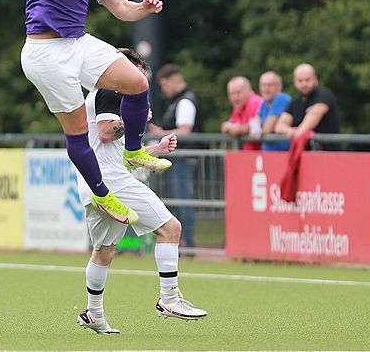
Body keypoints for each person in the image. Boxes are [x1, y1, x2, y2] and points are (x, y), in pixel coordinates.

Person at [21, 0, 170, 226]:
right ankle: (102, 195)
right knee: (77, 131)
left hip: (77, 42)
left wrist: (144, 7)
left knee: (137, 82)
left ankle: (134, 150)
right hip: (44, 52)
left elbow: (123, 9)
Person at [77, 48, 208, 334]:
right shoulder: (110, 90)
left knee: (104, 251)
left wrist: (155, 149)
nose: (138, 86)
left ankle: (94, 312)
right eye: (137, 77)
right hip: (112, 181)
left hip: (95, 182)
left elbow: (120, 155)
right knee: (171, 228)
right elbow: (107, 132)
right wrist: (133, 118)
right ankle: (169, 299)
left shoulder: (103, 93)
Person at [148, 63, 201, 249]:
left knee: (182, 201)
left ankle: (188, 244)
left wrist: (160, 133)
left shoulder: (185, 101)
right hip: (179, 159)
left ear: (173, 81)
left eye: (164, 85)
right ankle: (183, 242)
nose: (164, 90)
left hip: (183, 159)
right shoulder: (179, 101)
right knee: (178, 201)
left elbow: (185, 131)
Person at [275, 63, 342, 150]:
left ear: (316, 80)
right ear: (295, 82)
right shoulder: (295, 102)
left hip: (329, 153)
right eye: (300, 80)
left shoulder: (324, 95)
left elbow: (315, 115)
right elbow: (279, 126)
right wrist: (290, 131)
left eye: (307, 80)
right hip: (304, 154)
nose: (304, 84)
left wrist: (298, 132)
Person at [220, 76, 264, 150]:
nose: (235, 97)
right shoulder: (239, 106)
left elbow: (254, 127)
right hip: (249, 152)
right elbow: (230, 125)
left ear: (249, 91)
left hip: (260, 153)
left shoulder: (255, 103)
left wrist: (238, 129)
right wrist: (229, 127)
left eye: (238, 92)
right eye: (231, 94)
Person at [257, 71, 292, 151]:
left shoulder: (282, 99)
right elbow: (255, 123)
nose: (266, 88)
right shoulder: (264, 103)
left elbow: (268, 129)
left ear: (279, 86)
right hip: (269, 152)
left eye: (270, 85)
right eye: (263, 85)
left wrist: (257, 131)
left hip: (283, 152)